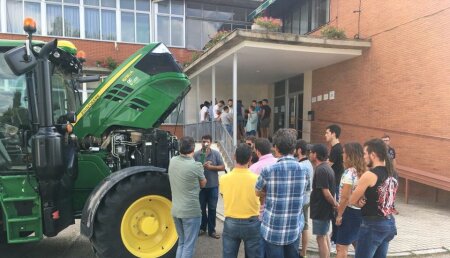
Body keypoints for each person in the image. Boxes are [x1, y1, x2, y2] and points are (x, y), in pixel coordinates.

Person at [255, 129, 307, 258]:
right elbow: (305, 192)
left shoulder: (268, 170)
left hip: (272, 229)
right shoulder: (304, 170)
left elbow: (257, 191)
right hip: (294, 228)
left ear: (276, 149)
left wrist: (266, 193)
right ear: (294, 149)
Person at [350, 138, 398, 258]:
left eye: (365, 153)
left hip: (372, 225)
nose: (363, 157)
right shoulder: (393, 173)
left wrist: (357, 201)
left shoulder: (370, 175)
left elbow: (351, 200)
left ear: (373, 155)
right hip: (389, 222)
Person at [220, 143, 261, 258]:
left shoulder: (224, 178)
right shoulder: (257, 179)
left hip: (231, 221)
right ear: (250, 159)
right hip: (252, 222)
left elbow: (224, 196)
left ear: (234, 156)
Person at [168, 136, 207, 258]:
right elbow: (203, 183)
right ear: (193, 149)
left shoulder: (173, 160)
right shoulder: (196, 166)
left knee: (182, 243)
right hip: (191, 212)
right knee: (189, 246)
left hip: (176, 210)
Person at [335, 143, 365, 258]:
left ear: (349, 155)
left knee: (341, 247)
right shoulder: (363, 172)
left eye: (344, 152)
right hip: (359, 212)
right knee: (358, 243)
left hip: (348, 212)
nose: (342, 155)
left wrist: (339, 215)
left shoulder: (349, 173)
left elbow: (345, 198)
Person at [194, 135, 225, 239]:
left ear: (210, 142)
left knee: (212, 208)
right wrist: (201, 166)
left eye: (207, 142)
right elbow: (192, 168)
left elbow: (222, 167)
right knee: (201, 208)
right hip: (201, 187)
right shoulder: (197, 154)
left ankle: (212, 230)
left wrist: (211, 167)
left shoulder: (215, 154)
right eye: (203, 142)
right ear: (201, 142)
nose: (205, 143)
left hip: (213, 186)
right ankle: (203, 228)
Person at [309, 143, 338, 258]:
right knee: (324, 236)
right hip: (324, 209)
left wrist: (335, 204)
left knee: (320, 238)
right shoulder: (327, 168)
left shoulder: (321, 170)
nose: (309, 154)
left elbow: (326, 193)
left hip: (321, 210)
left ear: (315, 154)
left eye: (311, 152)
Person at [325, 124, 344, 245]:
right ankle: (335, 235)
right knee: (335, 209)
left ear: (333, 134)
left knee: (335, 209)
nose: (325, 135)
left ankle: (335, 237)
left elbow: (328, 165)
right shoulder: (335, 148)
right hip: (335, 182)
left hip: (336, 183)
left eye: (327, 132)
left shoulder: (337, 148)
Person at [295, 140, 314, 258]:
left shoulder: (301, 165)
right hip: (308, 198)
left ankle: (297, 251)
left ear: (299, 150)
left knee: (299, 225)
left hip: (302, 199)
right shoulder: (309, 164)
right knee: (305, 225)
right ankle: (304, 253)